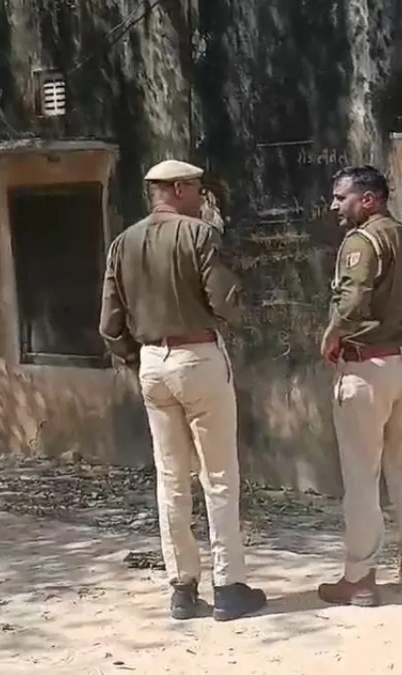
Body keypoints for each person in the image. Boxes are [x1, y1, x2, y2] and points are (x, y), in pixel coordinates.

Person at [99, 159, 267, 622]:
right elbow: (225, 303)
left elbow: (109, 324)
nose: (201, 196)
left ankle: (182, 588)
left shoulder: (122, 243)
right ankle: (228, 585)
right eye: (195, 188)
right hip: (199, 357)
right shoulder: (200, 235)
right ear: (177, 189)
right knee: (219, 475)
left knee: (171, 478)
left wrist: (136, 357)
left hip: (152, 361)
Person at [318, 165, 402, 607]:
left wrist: (332, 335)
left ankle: (360, 577)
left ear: (368, 199)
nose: (334, 206)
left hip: (366, 366)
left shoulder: (362, 241)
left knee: (362, 474)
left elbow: (352, 300)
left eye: (342, 197)